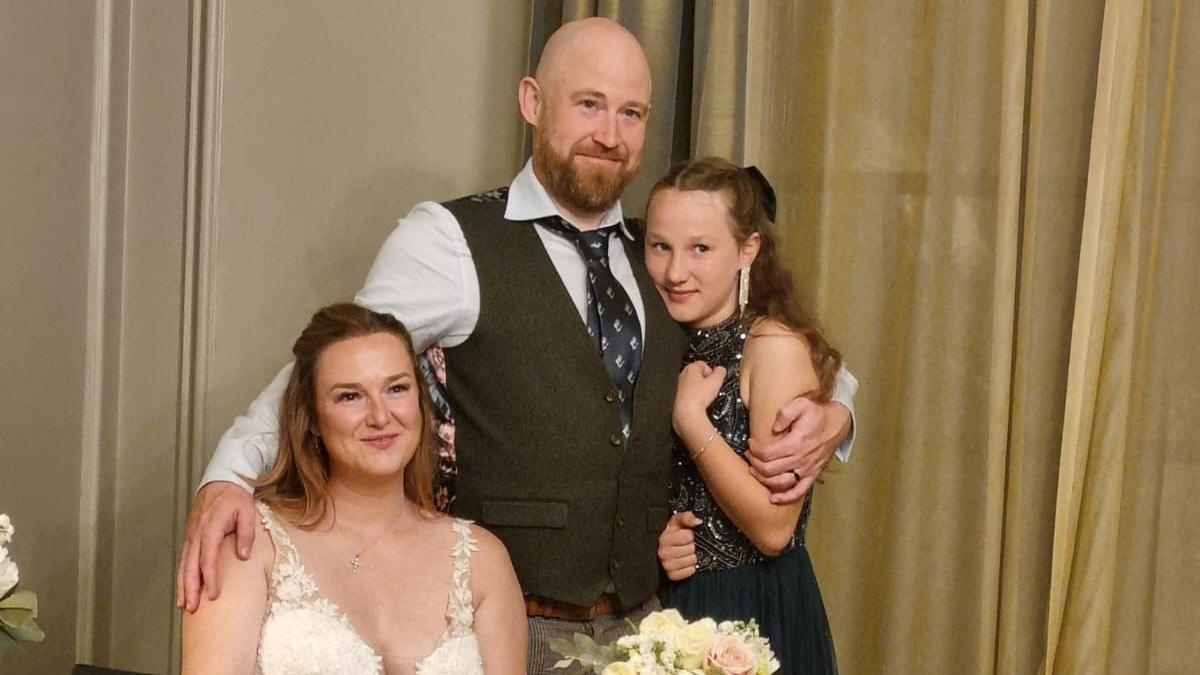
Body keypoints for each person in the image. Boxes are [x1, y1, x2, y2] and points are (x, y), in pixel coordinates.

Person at [178, 18, 857, 672]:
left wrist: (839, 412)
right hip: (517, 627)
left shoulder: (662, 253)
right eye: (589, 105)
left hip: (655, 625)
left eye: (632, 114)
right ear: (532, 101)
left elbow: (763, 338)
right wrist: (227, 475)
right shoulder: (450, 240)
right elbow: (333, 364)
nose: (610, 135)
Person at [182, 304, 526, 673]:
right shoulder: (249, 546)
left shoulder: (483, 561)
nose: (380, 416)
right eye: (350, 396)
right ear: (312, 418)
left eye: (396, 388)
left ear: (421, 403)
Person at [648, 159, 839, 673]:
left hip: (757, 608)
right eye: (660, 246)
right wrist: (654, 539)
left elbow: (775, 528)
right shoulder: (657, 343)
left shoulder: (771, 345)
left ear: (747, 250)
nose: (675, 271)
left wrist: (692, 421)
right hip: (669, 610)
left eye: (701, 249)